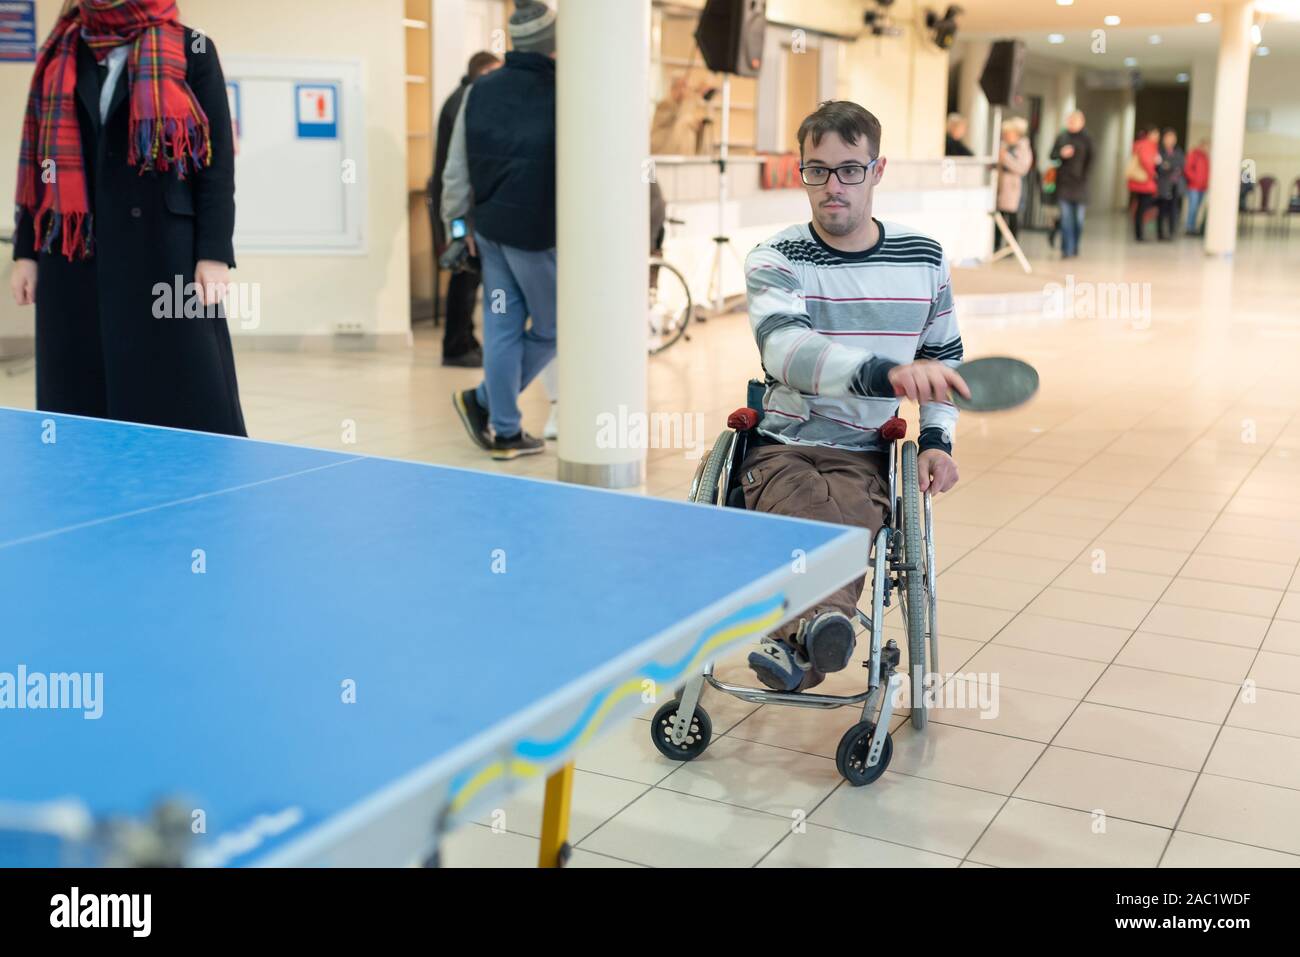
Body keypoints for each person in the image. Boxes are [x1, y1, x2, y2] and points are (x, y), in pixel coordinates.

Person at [740, 100, 969, 692]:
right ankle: (821, 628)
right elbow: (785, 352)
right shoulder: (776, 257)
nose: (832, 186)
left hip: (868, 452)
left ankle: (801, 641)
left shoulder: (923, 259)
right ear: (801, 173)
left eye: (849, 169)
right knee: (811, 507)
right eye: (817, 170)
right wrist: (888, 375)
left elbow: (943, 361)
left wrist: (937, 440)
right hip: (782, 445)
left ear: (878, 169)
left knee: (849, 509)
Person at [9, 0, 245, 436]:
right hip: (74, 251)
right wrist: (26, 252)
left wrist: (214, 253)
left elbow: (217, 165)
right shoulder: (60, 51)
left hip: (163, 252)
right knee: (81, 404)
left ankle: (192, 488)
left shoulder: (193, 48)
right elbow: (40, 162)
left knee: (182, 396)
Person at [443, 0, 556, 460]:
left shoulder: (479, 90)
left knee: (503, 327)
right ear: (552, 43)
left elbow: (455, 170)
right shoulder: (565, 91)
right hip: (535, 231)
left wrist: (456, 227)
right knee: (552, 328)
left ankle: (506, 431)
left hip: (487, 231)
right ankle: (486, 401)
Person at [430, 51, 501, 368]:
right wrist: (459, 226)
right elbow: (459, 167)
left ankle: (466, 339)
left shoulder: (462, 97)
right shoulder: (466, 101)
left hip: (459, 204)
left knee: (468, 273)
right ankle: (456, 345)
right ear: (482, 71)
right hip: (460, 208)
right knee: (464, 272)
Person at [1049, 110, 1093, 259]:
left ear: (1082, 122)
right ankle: (1066, 249)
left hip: (1080, 184)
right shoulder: (1062, 137)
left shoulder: (1087, 139)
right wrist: (1061, 153)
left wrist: (1085, 175)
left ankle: (1074, 246)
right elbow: (1052, 155)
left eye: (1075, 121)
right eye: (1070, 121)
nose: (1072, 124)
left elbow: (1092, 159)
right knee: (1066, 218)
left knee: (1078, 220)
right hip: (1064, 183)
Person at [994, 117, 1032, 252]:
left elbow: (1022, 168)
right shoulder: (1004, 146)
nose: (1005, 136)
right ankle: (996, 246)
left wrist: (1005, 158)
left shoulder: (1023, 148)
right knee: (998, 218)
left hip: (1014, 189)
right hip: (1001, 187)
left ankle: (1012, 247)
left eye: (1007, 134)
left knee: (1012, 218)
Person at [1128, 128, 1160, 241]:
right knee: (1142, 209)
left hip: (1140, 182)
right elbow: (1146, 161)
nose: (1157, 137)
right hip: (1145, 182)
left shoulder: (1140, 145)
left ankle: (1139, 233)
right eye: (1155, 134)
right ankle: (1139, 234)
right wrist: (1153, 174)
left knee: (1139, 208)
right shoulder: (1147, 145)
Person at [1155, 128, 1185, 242]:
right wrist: (1169, 166)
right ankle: (1160, 233)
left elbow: (1180, 164)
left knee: (1174, 209)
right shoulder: (1160, 151)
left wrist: (1169, 165)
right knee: (1162, 209)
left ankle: (1172, 232)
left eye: (1173, 138)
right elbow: (1160, 167)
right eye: (1168, 137)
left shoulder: (1178, 151)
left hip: (1175, 185)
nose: (1171, 140)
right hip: (1163, 184)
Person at [1184, 138, 1210, 236]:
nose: (1207, 148)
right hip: (1193, 186)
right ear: (1201, 145)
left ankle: (1193, 227)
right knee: (1193, 207)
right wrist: (1195, 179)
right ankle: (1189, 228)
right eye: (1206, 146)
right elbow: (1187, 169)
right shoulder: (1193, 154)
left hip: (1202, 188)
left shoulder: (1206, 157)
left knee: (1198, 208)